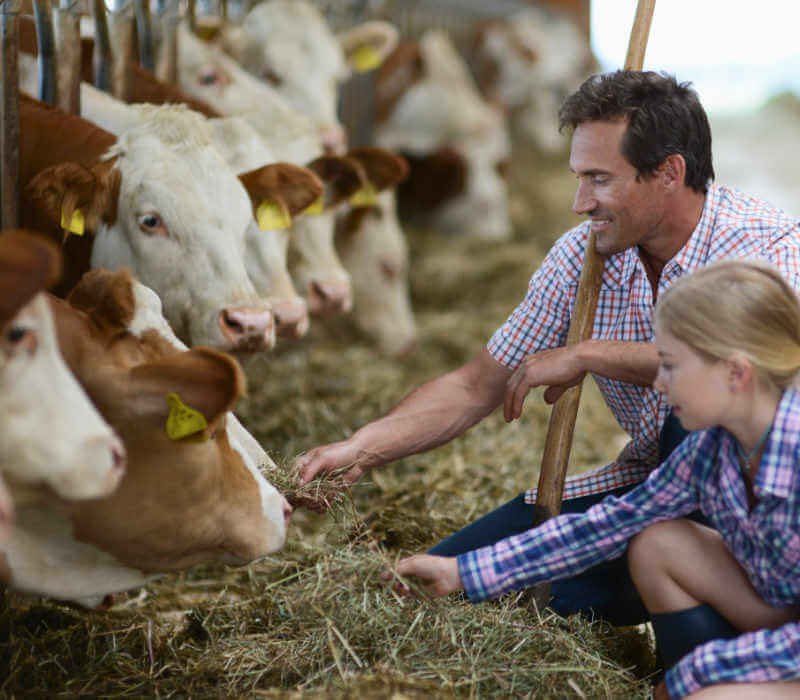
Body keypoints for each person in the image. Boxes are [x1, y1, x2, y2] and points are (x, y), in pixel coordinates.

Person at [296, 70, 800, 624]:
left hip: (764, 510)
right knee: (445, 596)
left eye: (599, 179)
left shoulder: (765, 248)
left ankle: (709, 659)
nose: (579, 202)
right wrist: (361, 450)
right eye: (578, 177)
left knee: (699, 432)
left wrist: (588, 353)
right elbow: (474, 385)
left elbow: (757, 369)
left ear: (669, 173)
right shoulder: (581, 259)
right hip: (649, 494)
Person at [385, 260, 800, 700]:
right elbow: (604, 527)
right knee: (660, 542)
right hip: (781, 610)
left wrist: (699, 673)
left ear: (736, 373)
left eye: (671, 366)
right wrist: (462, 572)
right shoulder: (711, 451)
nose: (659, 384)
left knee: (709, 692)